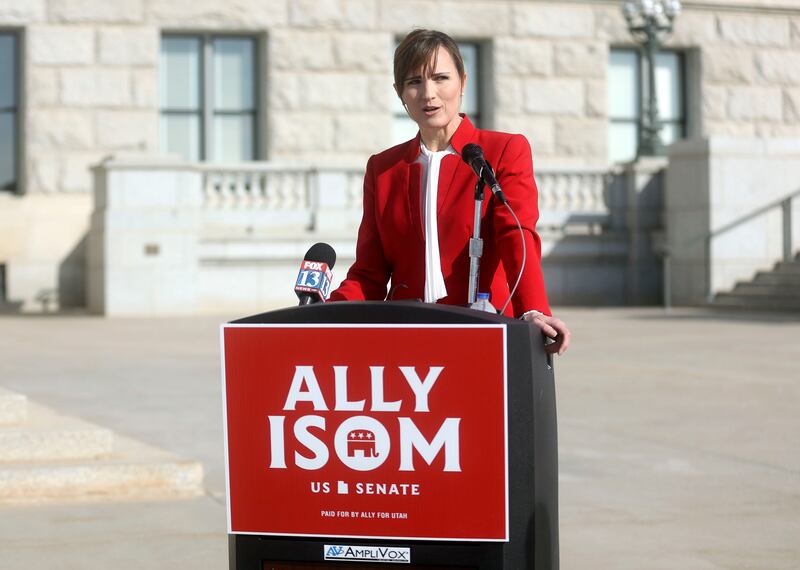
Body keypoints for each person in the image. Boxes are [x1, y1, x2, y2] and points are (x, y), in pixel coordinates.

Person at [329, 29, 570, 356]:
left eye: (441, 78)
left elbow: (517, 235)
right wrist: (326, 311)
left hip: (487, 333)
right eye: (414, 82)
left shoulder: (503, 151)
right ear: (399, 92)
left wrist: (535, 309)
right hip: (404, 340)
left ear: (463, 81)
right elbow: (370, 271)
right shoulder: (383, 169)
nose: (429, 93)